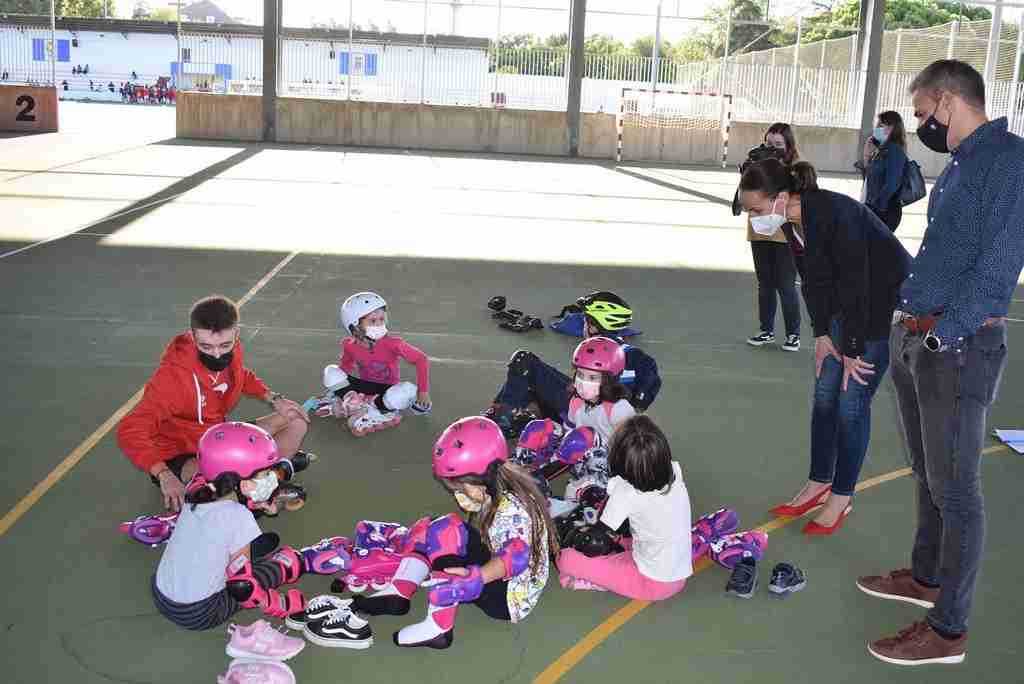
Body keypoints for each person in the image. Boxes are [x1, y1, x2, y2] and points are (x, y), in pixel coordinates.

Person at [859, 59, 1024, 667]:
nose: (922, 126)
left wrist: (942, 337)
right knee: (926, 472)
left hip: (956, 349)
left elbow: (999, 268)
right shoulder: (965, 163)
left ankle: (948, 631)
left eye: (925, 113)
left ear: (949, 102)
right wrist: (910, 322)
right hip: (920, 337)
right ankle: (926, 577)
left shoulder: (1008, 161)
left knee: (957, 492)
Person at [739, 158, 910, 535]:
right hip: (845, 311)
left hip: (880, 309)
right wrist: (821, 335)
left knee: (851, 404)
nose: (752, 218)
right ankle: (819, 482)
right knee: (824, 397)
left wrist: (851, 348)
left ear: (782, 196)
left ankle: (842, 496)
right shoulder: (793, 222)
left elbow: (857, 286)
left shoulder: (836, 213)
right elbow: (812, 283)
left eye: (755, 209)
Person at [348, 416, 557, 650]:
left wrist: (474, 578)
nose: (458, 495)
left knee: (447, 533)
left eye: (460, 489)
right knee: (435, 526)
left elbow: (516, 557)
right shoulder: (496, 484)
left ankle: (438, 629)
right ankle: (399, 591)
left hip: (507, 597)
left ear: (479, 482)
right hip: (498, 567)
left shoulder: (512, 511)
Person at [117, 295, 310, 512]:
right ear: (193, 336)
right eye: (206, 346)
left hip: (219, 436)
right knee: (225, 484)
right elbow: (130, 430)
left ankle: (266, 480)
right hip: (180, 454)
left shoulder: (233, 350)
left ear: (236, 335)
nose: (217, 354)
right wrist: (164, 474)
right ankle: (272, 476)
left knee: (296, 418)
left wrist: (274, 398)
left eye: (224, 345)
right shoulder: (171, 379)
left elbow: (241, 376)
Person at [152, 422, 349, 632]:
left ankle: (239, 553)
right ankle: (304, 560)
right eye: (265, 475)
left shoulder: (196, 489)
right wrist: (283, 605)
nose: (270, 479)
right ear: (243, 484)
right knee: (274, 568)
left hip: (161, 594)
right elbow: (242, 588)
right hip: (200, 612)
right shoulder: (238, 517)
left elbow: (230, 500)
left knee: (220, 549)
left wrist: (260, 501)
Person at [485, 291, 660, 437]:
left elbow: (575, 389)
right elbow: (650, 385)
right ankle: (515, 415)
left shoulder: (593, 349)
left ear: (592, 326)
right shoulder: (637, 356)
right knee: (527, 390)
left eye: (585, 320)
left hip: (582, 409)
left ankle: (499, 421)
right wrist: (633, 408)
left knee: (523, 361)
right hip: (602, 418)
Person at [556, 415, 691, 600]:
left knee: (566, 559)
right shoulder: (674, 471)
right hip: (678, 574)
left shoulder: (625, 493)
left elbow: (595, 541)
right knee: (624, 538)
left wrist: (578, 536)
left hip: (651, 583)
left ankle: (599, 581)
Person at [307, 291, 431, 436]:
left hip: (385, 389)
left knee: (408, 390)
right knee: (331, 371)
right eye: (373, 321)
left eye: (381, 319)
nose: (379, 324)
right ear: (355, 326)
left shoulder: (394, 344)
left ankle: (371, 407)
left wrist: (423, 392)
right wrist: (337, 389)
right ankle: (357, 404)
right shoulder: (349, 345)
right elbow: (345, 366)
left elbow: (421, 359)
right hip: (362, 386)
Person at [745, 123, 803, 352]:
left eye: (778, 145)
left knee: (786, 285)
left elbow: (802, 196)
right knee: (765, 284)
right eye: (769, 144)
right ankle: (766, 330)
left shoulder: (797, 168)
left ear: (789, 145)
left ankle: (793, 334)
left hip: (785, 233)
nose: (772, 149)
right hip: (759, 230)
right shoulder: (756, 164)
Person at [862, 110, 909, 231]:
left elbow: (892, 184)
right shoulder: (881, 150)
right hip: (873, 208)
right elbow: (869, 179)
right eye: (877, 125)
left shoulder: (894, 151)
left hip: (884, 212)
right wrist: (867, 155)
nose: (877, 129)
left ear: (893, 128)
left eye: (881, 125)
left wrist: (878, 207)